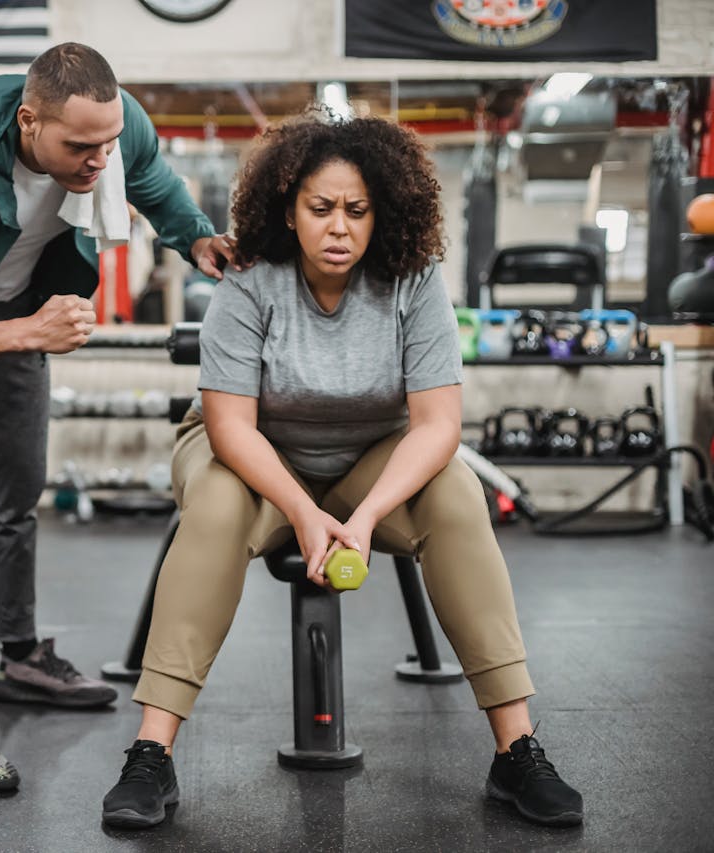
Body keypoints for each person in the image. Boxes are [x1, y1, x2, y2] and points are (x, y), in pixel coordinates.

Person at [99, 111, 584, 828]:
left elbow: (438, 426)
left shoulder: (413, 279)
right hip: (252, 454)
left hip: (370, 460)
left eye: (357, 210)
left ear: (381, 210)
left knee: (456, 493)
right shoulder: (250, 279)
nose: (340, 226)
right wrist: (301, 510)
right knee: (217, 509)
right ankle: (151, 754)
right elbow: (232, 427)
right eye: (321, 208)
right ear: (288, 209)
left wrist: (358, 520)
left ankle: (517, 749)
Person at [0, 42, 236, 794]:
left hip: (16, 309)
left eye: (108, 142)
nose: (101, 160)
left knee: (20, 484)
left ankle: (22, 655)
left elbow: (155, 183)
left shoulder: (111, 126)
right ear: (29, 122)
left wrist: (198, 238)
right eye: (79, 146)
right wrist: (21, 333)